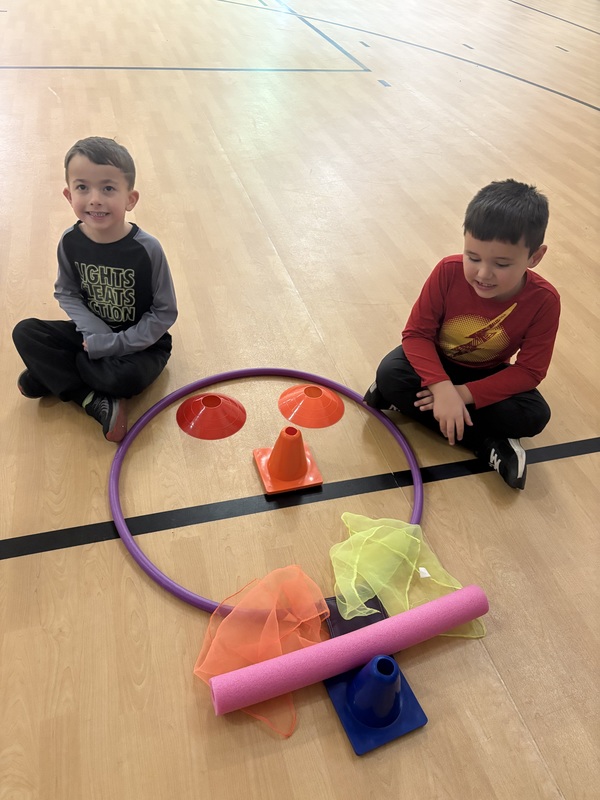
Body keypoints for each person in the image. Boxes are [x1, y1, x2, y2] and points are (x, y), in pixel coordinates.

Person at [364, 179, 560, 490]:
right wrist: (442, 389)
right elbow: (416, 335)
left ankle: (404, 403)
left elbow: (530, 371)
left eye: (501, 264)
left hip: (486, 374)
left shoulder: (544, 301)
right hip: (435, 362)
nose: (483, 274)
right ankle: (487, 443)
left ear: (534, 257)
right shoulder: (447, 272)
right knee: (391, 374)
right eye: (473, 257)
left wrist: (461, 395)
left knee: (534, 415)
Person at [12, 136, 178, 443]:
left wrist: (114, 345)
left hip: (141, 345)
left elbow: (164, 313)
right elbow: (66, 292)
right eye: (82, 187)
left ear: (130, 199)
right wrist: (95, 334)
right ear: (68, 194)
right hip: (90, 337)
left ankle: (53, 374)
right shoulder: (69, 241)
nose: (95, 199)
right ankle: (90, 398)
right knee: (25, 332)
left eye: (108, 188)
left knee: (122, 377)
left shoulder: (148, 249)